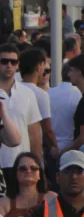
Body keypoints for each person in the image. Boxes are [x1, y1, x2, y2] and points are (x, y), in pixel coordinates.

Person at [0, 44, 42, 188]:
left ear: (18, 65)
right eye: (4, 61)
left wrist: (38, 165)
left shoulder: (27, 93)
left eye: (13, 62)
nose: (9, 65)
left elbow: (34, 132)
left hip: (22, 166)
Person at [28, 151, 84, 217]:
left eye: (79, 171)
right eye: (68, 172)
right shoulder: (42, 212)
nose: (74, 177)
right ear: (58, 177)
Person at [0, 152, 51, 217]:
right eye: (22, 168)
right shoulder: (3, 203)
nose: (28, 171)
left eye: (34, 168)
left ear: (39, 174)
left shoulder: (51, 198)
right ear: (15, 174)